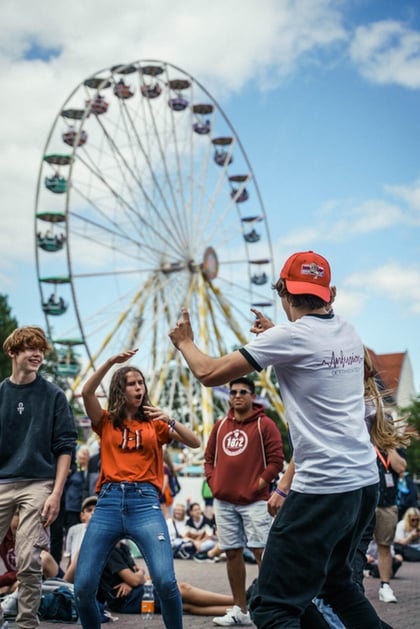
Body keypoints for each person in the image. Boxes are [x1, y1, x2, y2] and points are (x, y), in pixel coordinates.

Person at [169, 250, 384, 628]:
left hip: (323, 486)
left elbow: (208, 372)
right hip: (364, 483)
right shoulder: (350, 333)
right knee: (337, 584)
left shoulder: (291, 336)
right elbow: (310, 351)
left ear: (283, 291)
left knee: (270, 606)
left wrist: (185, 342)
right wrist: (275, 335)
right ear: (330, 294)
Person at [74, 349, 201, 629]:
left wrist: (169, 419)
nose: (138, 387)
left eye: (141, 383)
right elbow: (86, 392)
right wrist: (109, 361)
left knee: (166, 582)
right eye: (132, 383)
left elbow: (194, 442)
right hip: (107, 503)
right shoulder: (105, 421)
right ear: (120, 388)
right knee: (82, 588)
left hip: (145, 504)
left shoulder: (155, 424)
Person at [0, 326, 77, 629]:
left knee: (29, 556)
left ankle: (26, 624)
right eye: (31, 349)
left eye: (42, 350)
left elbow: (66, 447)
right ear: (12, 352)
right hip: (3, 480)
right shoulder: (1, 393)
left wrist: (56, 493)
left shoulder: (54, 395)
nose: (38, 355)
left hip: (38, 481)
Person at [204, 376, 284, 626]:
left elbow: (276, 461)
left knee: (262, 553)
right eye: (233, 392)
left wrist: (257, 485)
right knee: (232, 552)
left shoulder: (265, 425)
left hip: (255, 501)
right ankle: (240, 609)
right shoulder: (220, 425)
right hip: (224, 500)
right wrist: (214, 482)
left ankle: (271, 608)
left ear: (252, 396)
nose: (237, 396)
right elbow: (208, 459)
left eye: (243, 392)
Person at [66, 539, 235, 616]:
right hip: (125, 600)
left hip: (133, 595)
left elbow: (139, 573)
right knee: (183, 589)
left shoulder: (122, 548)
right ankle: (238, 601)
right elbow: (135, 578)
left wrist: (134, 578)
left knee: (186, 606)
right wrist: (133, 579)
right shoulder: (109, 550)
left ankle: (242, 609)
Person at [373, 444, 407, 603]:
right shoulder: (363, 441)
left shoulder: (396, 448)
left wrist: (389, 445)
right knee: (354, 544)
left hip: (387, 504)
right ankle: (354, 583)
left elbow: (400, 467)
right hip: (363, 501)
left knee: (384, 545)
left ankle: (385, 586)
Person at [64, 495, 97, 565]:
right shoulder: (73, 530)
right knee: (45, 557)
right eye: (89, 510)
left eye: (97, 510)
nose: (93, 513)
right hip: (74, 572)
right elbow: (70, 561)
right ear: (82, 516)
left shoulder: (107, 534)